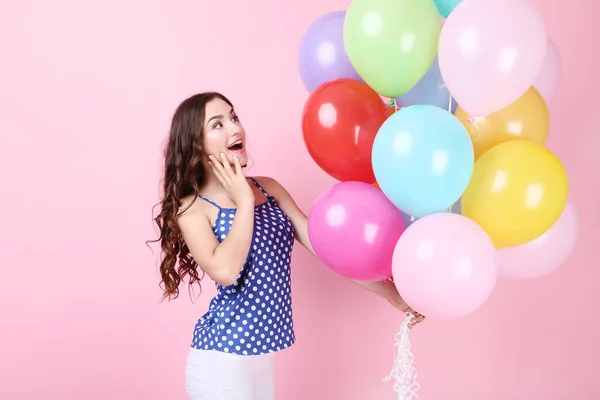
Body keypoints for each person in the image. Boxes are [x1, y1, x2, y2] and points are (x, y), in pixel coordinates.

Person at [150, 92, 424, 400]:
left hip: (261, 358)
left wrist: (392, 294)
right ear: (196, 145)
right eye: (218, 124)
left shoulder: (268, 189)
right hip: (222, 359)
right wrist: (242, 201)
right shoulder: (193, 208)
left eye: (234, 117)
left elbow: (325, 249)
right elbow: (226, 271)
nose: (234, 128)